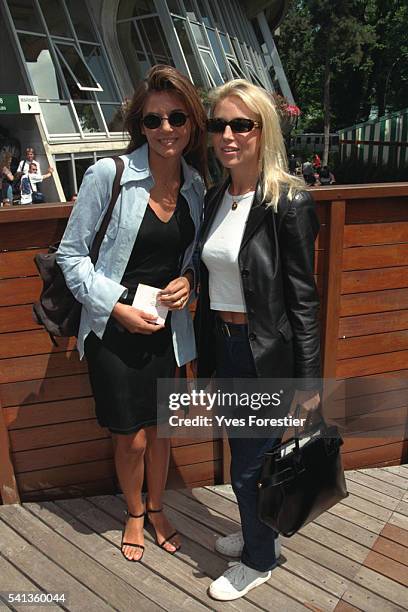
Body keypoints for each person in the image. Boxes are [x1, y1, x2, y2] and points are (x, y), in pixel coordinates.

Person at [56, 65, 207, 563]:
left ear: (191, 124)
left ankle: (159, 506)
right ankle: (135, 513)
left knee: (163, 430)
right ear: (139, 126)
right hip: (114, 330)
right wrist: (115, 308)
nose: (165, 129)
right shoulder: (110, 175)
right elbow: (71, 256)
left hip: (166, 330)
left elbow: (190, 258)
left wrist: (190, 281)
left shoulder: (196, 187)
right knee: (132, 438)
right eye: (153, 120)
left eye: (176, 118)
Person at [195, 79, 321, 601]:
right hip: (225, 345)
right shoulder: (215, 196)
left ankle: (259, 559)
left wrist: (310, 385)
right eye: (219, 124)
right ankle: (257, 532)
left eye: (241, 124)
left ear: (262, 129)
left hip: (264, 354)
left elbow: (304, 301)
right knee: (243, 455)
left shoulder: (287, 201)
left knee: (249, 469)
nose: (228, 135)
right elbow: (213, 272)